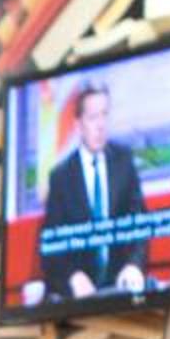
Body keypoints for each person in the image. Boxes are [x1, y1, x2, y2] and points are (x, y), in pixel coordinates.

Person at [34, 82, 147, 304]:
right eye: (93, 117)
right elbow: (51, 245)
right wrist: (72, 276)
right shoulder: (61, 176)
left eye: (104, 115)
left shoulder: (124, 161)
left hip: (119, 288)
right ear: (78, 124)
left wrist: (133, 265)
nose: (101, 125)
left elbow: (140, 223)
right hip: (78, 297)